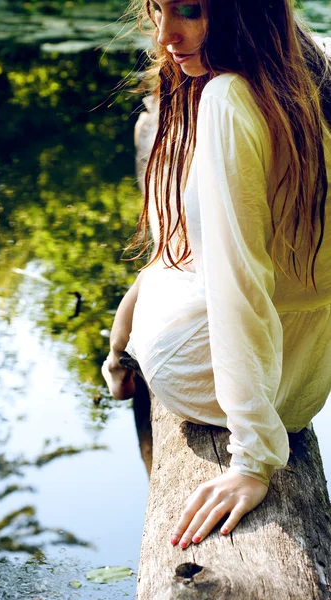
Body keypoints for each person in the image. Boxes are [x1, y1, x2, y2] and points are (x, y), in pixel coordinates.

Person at [102, 0, 331, 550]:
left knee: (169, 262)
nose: (166, 37)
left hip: (210, 379)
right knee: (182, 253)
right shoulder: (314, 69)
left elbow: (240, 289)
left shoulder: (229, 97)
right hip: (307, 381)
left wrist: (252, 461)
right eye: (158, 9)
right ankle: (117, 357)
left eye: (190, 12)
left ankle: (118, 358)